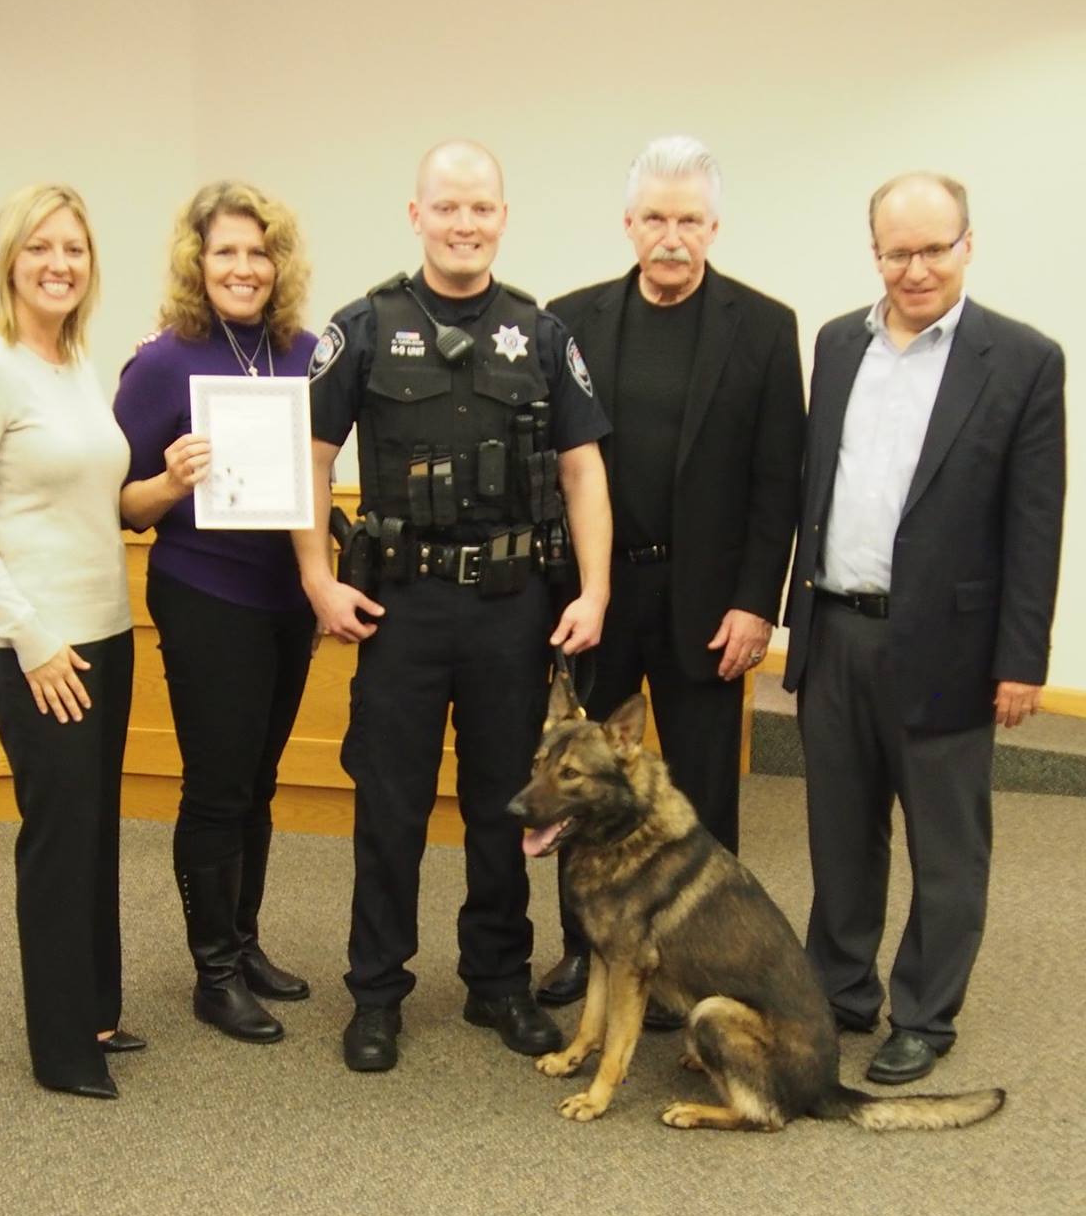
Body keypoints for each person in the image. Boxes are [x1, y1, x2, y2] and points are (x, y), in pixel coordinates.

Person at [298, 138, 612, 1072]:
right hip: (399, 609)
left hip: (513, 610)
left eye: (482, 208)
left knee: (502, 806)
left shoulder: (541, 334)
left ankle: (497, 984)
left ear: (503, 219)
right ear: (417, 215)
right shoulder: (362, 326)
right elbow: (307, 461)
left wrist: (594, 590)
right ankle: (377, 994)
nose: (465, 223)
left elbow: (582, 468)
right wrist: (319, 579)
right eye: (448, 207)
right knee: (388, 803)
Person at [784, 171, 1066, 1084]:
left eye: (934, 248)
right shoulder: (837, 343)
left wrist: (1022, 659)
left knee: (946, 846)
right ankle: (840, 988)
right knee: (840, 831)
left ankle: (926, 1013)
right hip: (838, 631)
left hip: (949, 645)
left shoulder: (1022, 360)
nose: (916, 269)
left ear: (967, 244)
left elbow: (1035, 521)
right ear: (876, 255)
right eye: (897, 251)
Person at [537, 135, 806, 1020]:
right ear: (628, 224)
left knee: (699, 796)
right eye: (655, 218)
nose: (672, 236)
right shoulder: (568, 319)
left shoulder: (764, 328)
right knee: (585, 790)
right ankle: (588, 954)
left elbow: (779, 480)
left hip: (709, 606)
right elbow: (555, 466)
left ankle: (695, 967)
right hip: (603, 597)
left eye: (690, 219)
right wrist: (570, 584)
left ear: (715, 226)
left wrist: (755, 605)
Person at [0, 184, 136, 1099]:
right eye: (40, 248)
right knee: (58, 839)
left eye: (75, 249)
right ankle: (61, 1049)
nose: (59, 263)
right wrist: (32, 637)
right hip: (37, 644)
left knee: (94, 829)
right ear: (8, 260)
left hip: (104, 633)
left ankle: (94, 1007)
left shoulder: (74, 358)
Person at [115, 180, 319, 1044]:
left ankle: (246, 938)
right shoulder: (163, 360)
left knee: (261, 781)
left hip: (287, 596)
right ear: (199, 264)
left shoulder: (308, 352)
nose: (244, 268)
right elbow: (122, 505)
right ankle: (215, 973)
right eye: (227, 251)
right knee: (217, 785)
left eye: (258, 251)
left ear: (281, 263)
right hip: (206, 592)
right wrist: (171, 479)